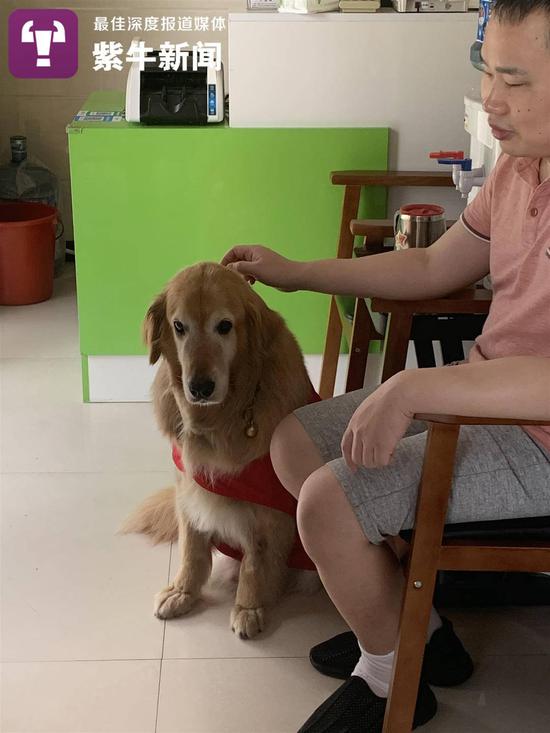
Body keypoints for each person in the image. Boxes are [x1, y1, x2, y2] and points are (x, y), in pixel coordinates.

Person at [221, 2, 550, 730]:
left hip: (540, 440)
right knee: (295, 441)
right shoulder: (519, 167)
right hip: (486, 395)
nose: (491, 100)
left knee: (328, 504)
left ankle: (391, 679)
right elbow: (433, 264)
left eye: (516, 81)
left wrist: (411, 387)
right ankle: (421, 634)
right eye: (487, 72)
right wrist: (298, 272)